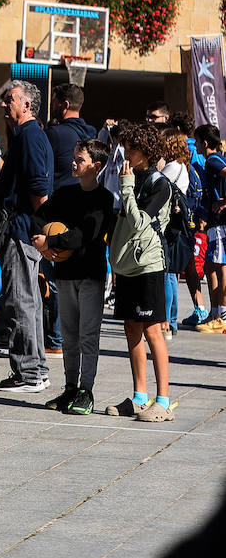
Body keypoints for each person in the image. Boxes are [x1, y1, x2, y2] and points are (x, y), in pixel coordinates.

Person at [33, 139, 112, 416]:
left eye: (80, 159)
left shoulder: (104, 199)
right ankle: (69, 387)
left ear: (96, 166)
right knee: (68, 335)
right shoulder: (65, 193)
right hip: (65, 274)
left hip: (90, 275)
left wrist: (51, 240)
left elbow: (83, 235)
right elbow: (38, 218)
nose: (74, 163)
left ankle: (86, 390)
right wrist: (41, 242)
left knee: (88, 335)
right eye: (75, 157)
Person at [105, 123, 175, 421]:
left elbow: (137, 222)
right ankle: (139, 396)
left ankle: (164, 400)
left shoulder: (159, 183)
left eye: (131, 150)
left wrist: (127, 186)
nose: (126, 155)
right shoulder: (131, 177)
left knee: (152, 329)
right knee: (131, 327)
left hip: (148, 264)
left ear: (144, 152)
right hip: (127, 264)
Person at [0, 79, 54, 394]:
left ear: (26, 104)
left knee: (21, 302)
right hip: (22, 232)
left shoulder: (29, 137)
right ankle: (34, 369)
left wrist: (42, 234)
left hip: (23, 232)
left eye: (9, 99)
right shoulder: (24, 136)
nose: (4, 105)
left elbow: (40, 193)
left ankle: (29, 373)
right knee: (26, 301)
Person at [43, 83, 97, 358]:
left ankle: (55, 338)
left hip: (60, 212)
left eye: (55, 100)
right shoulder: (93, 133)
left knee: (56, 278)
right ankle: (68, 336)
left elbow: (44, 170)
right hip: (87, 210)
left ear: (64, 104)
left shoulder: (55, 133)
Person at [159, 130, 192, 339]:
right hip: (178, 225)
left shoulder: (171, 168)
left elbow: (156, 186)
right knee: (172, 274)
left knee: (166, 273)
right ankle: (171, 319)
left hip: (169, 224)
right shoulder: (183, 167)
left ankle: (167, 321)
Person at [195, 125, 226, 333]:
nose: (195, 145)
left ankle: (222, 316)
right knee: (211, 266)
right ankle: (215, 312)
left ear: (205, 143)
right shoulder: (211, 161)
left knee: (222, 267)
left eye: (196, 141)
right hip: (214, 222)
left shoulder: (214, 160)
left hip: (221, 222)